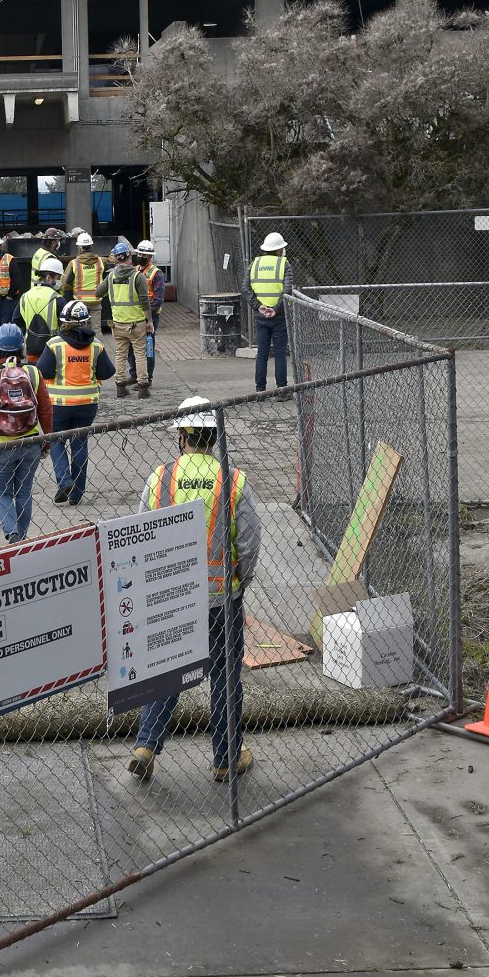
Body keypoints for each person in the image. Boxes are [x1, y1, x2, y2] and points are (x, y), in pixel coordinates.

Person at [127, 397, 262, 784]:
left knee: (168, 670)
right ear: (214, 436)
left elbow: (141, 533)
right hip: (221, 598)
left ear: (182, 435)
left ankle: (146, 745)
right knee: (224, 676)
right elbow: (249, 541)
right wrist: (240, 581)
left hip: (173, 595)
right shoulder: (233, 479)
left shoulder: (160, 478)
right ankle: (225, 758)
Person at [0, 323, 52, 543]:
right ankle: (22, 538)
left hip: (1, 446)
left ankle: (12, 532)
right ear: (22, 348)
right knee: (24, 493)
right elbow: (46, 410)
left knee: (3, 493)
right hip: (31, 442)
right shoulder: (33, 372)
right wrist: (47, 442)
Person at [37, 300, 115, 505]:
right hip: (87, 405)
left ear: (63, 321)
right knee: (80, 443)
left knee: (56, 441)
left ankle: (64, 481)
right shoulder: (96, 345)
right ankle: (76, 494)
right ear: (86, 321)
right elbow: (108, 372)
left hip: (59, 405)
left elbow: (43, 371)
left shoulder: (54, 344)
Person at [97, 243, 153, 400]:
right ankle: (143, 388)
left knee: (120, 354)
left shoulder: (111, 276)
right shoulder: (137, 276)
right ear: (129, 256)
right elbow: (144, 301)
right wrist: (149, 321)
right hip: (136, 323)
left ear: (116, 258)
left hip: (118, 324)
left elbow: (98, 293)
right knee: (140, 354)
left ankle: (120, 387)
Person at [246, 231, 293, 396]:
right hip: (279, 317)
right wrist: (276, 309)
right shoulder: (284, 265)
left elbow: (246, 288)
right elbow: (287, 291)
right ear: (279, 250)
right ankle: (282, 391)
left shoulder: (254, 264)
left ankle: (260, 391)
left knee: (262, 354)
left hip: (261, 317)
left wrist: (258, 306)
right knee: (280, 354)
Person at [128, 240, 165, 387]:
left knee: (148, 347)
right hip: (135, 315)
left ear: (150, 257)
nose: (141, 257)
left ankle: (147, 378)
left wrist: (147, 314)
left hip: (150, 316)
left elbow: (158, 299)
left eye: (144, 255)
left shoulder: (156, 273)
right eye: (139, 254)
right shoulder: (135, 270)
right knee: (132, 346)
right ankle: (134, 375)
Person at [14, 257, 64, 362]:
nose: (59, 281)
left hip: (31, 349)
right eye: (58, 277)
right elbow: (66, 327)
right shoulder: (58, 299)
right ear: (48, 277)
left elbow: (17, 323)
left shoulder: (25, 296)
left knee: (33, 372)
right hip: (52, 350)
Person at [62, 232, 105, 334]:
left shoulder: (74, 263)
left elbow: (65, 284)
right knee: (97, 330)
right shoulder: (100, 261)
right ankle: (98, 345)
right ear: (91, 246)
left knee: (80, 329)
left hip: (80, 303)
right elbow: (113, 261)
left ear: (80, 247)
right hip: (96, 301)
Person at [0, 232, 23, 327]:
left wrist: (10, 296)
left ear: (1, 246)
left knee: (5, 325)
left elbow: (16, 279)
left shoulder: (9, 259)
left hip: (6, 300)